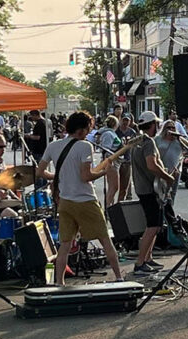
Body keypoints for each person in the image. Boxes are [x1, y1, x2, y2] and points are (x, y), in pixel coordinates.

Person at [37, 111, 123, 285]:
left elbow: (40, 172)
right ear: (83, 130)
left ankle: (59, 283)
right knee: (105, 239)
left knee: (65, 245)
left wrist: (58, 176)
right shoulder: (85, 146)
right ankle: (119, 277)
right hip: (85, 200)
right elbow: (86, 176)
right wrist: (104, 172)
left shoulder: (53, 146)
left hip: (65, 202)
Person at [130, 111, 174, 275]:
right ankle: (140, 263)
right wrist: (168, 177)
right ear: (153, 124)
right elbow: (152, 165)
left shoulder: (137, 140)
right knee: (153, 226)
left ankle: (148, 258)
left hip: (143, 188)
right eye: (157, 124)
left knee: (154, 226)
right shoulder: (148, 142)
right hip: (150, 189)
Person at [99, 115, 123, 208]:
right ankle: (108, 206)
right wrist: (109, 161)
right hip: (111, 161)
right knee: (114, 186)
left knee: (112, 186)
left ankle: (109, 205)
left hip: (116, 160)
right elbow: (106, 149)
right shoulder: (108, 134)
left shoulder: (111, 133)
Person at [116, 114, 137, 201]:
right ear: (120, 120)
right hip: (117, 161)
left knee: (124, 186)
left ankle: (121, 202)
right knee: (115, 186)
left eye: (127, 120)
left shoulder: (132, 132)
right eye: (124, 120)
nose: (125, 122)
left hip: (127, 161)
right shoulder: (116, 132)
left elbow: (136, 146)